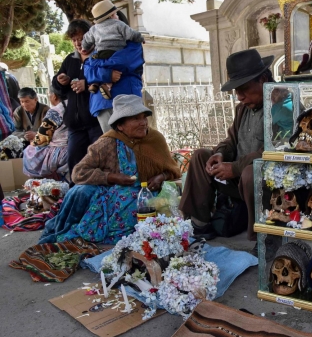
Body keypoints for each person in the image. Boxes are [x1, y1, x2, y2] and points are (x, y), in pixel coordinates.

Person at [38, 94, 181, 244]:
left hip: (145, 193)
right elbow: (78, 173)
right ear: (120, 125)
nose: (143, 123)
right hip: (112, 191)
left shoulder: (155, 139)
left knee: (134, 208)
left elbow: (172, 169)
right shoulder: (107, 143)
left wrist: (160, 177)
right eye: (135, 119)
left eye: (144, 117)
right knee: (82, 193)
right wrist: (110, 177)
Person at [179, 49, 274, 243]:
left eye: (243, 88)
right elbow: (230, 140)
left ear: (263, 80)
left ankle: (263, 238)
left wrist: (236, 168)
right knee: (200, 156)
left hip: (265, 183)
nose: (239, 96)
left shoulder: (281, 106)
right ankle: (200, 223)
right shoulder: (243, 109)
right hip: (236, 181)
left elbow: (273, 152)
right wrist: (221, 154)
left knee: (251, 172)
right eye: (236, 91)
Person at [52, 19, 104, 179]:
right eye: (74, 40)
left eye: (81, 38)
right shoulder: (70, 60)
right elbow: (58, 89)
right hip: (75, 126)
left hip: (96, 122)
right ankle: (76, 196)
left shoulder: (100, 57)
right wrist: (60, 81)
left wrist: (86, 84)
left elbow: (109, 80)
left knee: (100, 162)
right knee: (75, 165)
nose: (77, 43)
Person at [82, 0, 144, 99]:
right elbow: (132, 35)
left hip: (100, 54)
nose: (117, 17)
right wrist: (141, 38)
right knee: (114, 69)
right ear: (111, 16)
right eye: (116, 14)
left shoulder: (94, 29)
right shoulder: (119, 24)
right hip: (115, 51)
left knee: (98, 65)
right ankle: (107, 85)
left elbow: (86, 40)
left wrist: (84, 47)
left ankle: (95, 84)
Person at [23, 84, 69, 180]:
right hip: (80, 145)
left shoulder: (55, 111)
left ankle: (46, 185)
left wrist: (33, 141)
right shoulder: (78, 104)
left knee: (29, 151)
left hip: (63, 150)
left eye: (49, 94)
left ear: (54, 96)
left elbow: (41, 140)